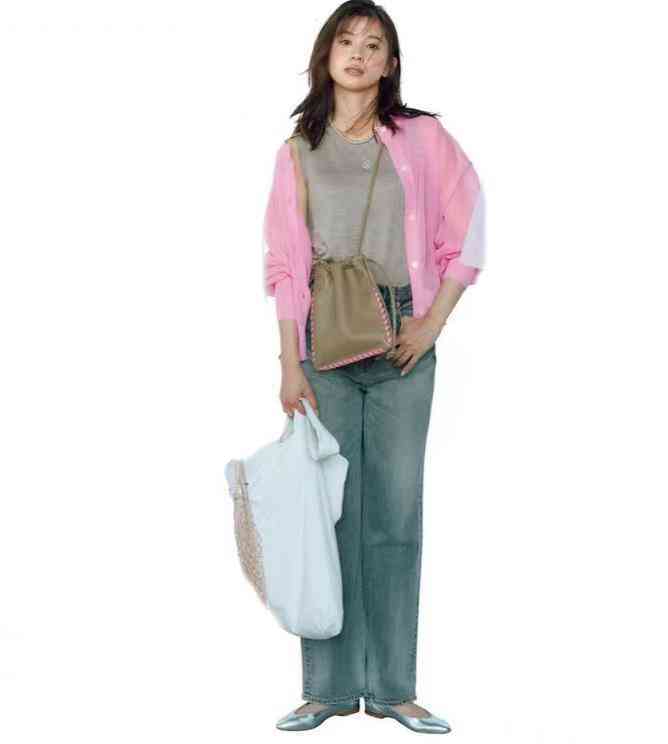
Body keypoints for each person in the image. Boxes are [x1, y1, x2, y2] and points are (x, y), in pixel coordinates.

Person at [262, 1, 485, 734]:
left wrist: (432, 323)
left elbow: (467, 231)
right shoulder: (298, 150)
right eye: (346, 40)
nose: (358, 52)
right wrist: (290, 362)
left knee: (394, 516)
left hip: (402, 337)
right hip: (324, 343)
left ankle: (392, 687)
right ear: (326, 55)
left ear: (390, 64)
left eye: (374, 43)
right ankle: (327, 690)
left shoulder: (422, 138)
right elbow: (284, 265)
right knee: (327, 514)